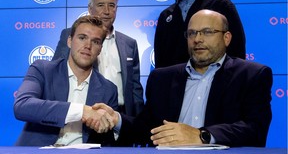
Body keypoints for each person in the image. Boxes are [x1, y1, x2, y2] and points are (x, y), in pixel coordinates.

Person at [94, 9, 273, 147]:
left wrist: (202, 136)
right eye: (192, 33)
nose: (198, 39)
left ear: (226, 38)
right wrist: (117, 119)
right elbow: (146, 129)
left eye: (207, 32)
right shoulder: (162, 78)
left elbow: (255, 129)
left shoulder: (252, 75)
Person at [14, 15, 118, 146]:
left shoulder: (109, 90)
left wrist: (103, 124)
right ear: (69, 41)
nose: (88, 45)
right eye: (82, 38)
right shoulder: (42, 69)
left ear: (100, 49)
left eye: (96, 41)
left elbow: (107, 139)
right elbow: (22, 106)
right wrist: (82, 111)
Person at [53, 0, 144, 117]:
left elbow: (135, 88)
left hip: (120, 115)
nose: (106, 11)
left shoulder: (130, 43)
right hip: (84, 112)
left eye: (111, 5)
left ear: (116, 9)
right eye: (100, 5)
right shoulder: (71, 34)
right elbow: (56, 74)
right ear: (90, 9)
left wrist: (138, 121)